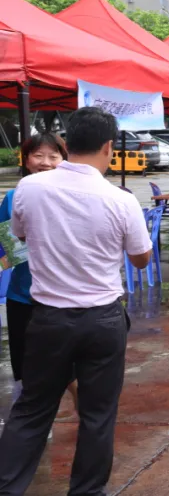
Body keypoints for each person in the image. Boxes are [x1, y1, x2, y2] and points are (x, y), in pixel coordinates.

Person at [0, 107, 152, 495]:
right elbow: (140, 258)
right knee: (98, 414)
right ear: (108, 147)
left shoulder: (29, 190)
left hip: (48, 318)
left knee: (32, 410)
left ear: (67, 145)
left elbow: (20, 235)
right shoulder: (120, 199)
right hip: (102, 320)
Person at [1, 134, 79, 420]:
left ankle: (81, 404)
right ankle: (37, 424)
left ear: (64, 160)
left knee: (65, 363)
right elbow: (8, 247)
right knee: (26, 366)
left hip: (62, 296)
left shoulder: (75, 195)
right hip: (23, 295)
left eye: (53, 156)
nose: (45, 162)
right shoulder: (13, 197)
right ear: (26, 159)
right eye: (38, 155)